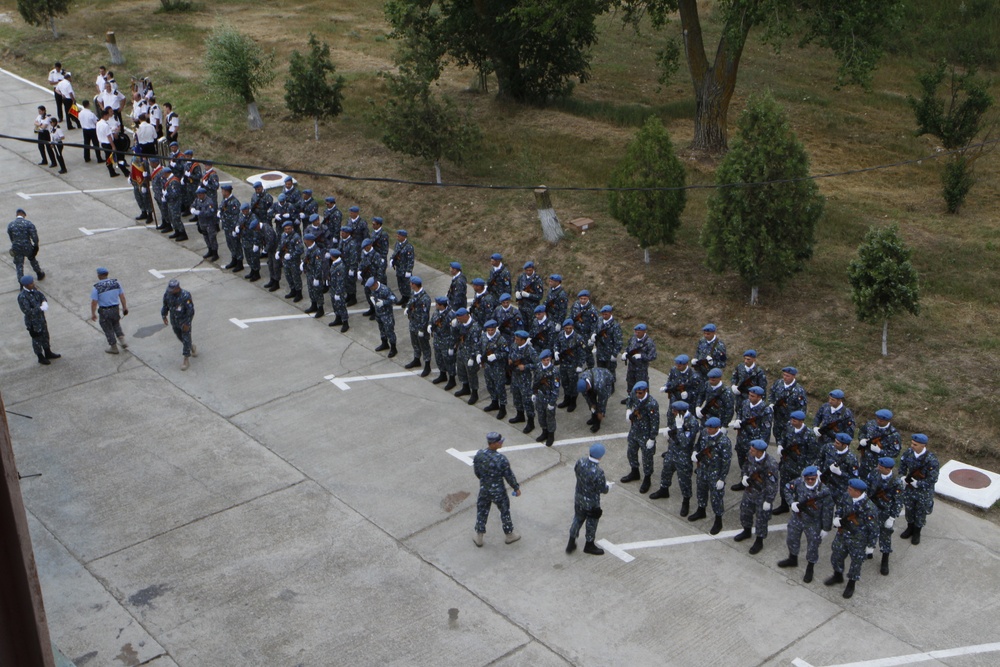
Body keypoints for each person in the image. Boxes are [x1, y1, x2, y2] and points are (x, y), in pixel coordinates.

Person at [778, 466, 833, 583]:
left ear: (817, 477)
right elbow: (787, 488)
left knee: (813, 545)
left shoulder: (824, 491)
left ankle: (810, 567)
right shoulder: (799, 482)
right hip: (797, 518)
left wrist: (826, 528)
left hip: (813, 522)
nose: (810, 481)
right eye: (807, 479)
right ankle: (792, 558)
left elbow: (828, 510)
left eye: (812, 479)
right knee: (792, 539)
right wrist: (791, 503)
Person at [825, 478, 879, 599]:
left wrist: (871, 545)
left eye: (850, 489)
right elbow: (840, 507)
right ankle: (837, 575)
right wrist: (837, 517)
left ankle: (851, 583)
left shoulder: (869, 508)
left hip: (858, 539)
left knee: (856, 562)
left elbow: (874, 528)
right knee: (836, 554)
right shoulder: (846, 496)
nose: (847, 490)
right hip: (842, 533)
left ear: (858, 492)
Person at [650, 401, 699, 516]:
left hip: (683, 455)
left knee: (684, 479)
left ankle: (686, 500)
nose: (673, 412)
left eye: (675, 411)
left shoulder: (692, 423)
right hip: (672, 451)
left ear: (682, 411)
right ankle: (664, 489)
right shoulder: (676, 417)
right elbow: (673, 432)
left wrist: (679, 427)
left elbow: (685, 442)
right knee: (666, 470)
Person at [473, 432, 522, 547]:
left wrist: (485, 481)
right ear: (494, 444)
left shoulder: (479, 455)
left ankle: (479, 536)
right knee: (504, 511)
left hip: (484, 489)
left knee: (482, 511)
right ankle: (509, 535)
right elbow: (509, 476)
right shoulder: (501, 459)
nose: (502, 443)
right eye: (500, 442)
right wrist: (516, 487)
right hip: (498, 491)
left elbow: (477, 472)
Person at [733, 439, 779, 555]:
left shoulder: (770, 464)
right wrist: (744, 477)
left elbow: (772, 484)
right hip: (749, 491)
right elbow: (745, 467)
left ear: (759, 451)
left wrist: (769, 500)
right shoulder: (751, 456)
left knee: (761, 519)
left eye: (752, 450)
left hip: (762, 495)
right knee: (745, 512)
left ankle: (759, 541)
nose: (750, 451)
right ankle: (746, 531)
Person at [773, 411, 821, 514]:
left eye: (794, 420)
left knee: (800, 488)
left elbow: (813, 453)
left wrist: (806, 467)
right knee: (784, 485)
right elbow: (783, 437)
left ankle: (801, 508)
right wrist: (780, 445)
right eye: (791, 420)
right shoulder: (789, 427)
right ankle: (784, 505)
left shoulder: (809, 434)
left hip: (800, 466)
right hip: (786, 463)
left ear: (801, 421)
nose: (792, 422)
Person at [689, 417, 732, 535]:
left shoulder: (724, 441)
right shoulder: (704, 433)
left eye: (711, 428)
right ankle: (701, 510)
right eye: (707, 427)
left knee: (716, 497)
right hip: (702, 469)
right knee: (701, 490)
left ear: (717, 428)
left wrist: (722, 478)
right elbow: (698, 445)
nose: (708, 430)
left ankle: (718, 520)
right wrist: (694, 452)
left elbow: (726, 461)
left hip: (715, 472)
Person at [567, 443, 611, 556]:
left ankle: (571, 542)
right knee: (591, 523)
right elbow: (602, 489)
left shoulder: (580, 462)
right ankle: (589, 545)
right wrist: (608, 487)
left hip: (579, 497)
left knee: (577, 519)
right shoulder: (598, 472)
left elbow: (576, 472)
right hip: (592, 502)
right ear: (600, 456)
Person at [898, 433, 940, 546]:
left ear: (923, 445)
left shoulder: (931, 459)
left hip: (923, 492)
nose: (912, 446)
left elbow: (933, 478)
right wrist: (902, 477)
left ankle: (917, 532)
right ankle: (909, 528)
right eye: (912, 443)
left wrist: (919, 484)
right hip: (910, 488)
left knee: (920, 512)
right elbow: (902, 467)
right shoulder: (908, 453)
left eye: (915, 444)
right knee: (909, 509)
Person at [867, 457, 904, 575]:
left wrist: (892, 517)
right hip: (872, 509)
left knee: (885, 536)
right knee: (869, 530)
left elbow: (898, 501)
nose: (878, 467)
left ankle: (885, 560)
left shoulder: (896, 482)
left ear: (888, 469)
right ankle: (868, 550)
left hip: (885, 512)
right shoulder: (874, 473)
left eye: (881, 467)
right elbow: (867, 489)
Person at [730, 386, 774, 484]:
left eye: (753, 396)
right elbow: (740, 413)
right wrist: (738, 419)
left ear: (759, 397)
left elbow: (766, 430)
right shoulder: (745, 403)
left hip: (754, 443)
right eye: (749, 395)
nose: (750, 397)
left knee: (753, 464)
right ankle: (743, 480)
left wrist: (759, 447)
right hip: (742, 439)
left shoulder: (765, 410)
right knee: (742, 461)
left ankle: (753, 483)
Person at [621, 381, 659, 493]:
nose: (638, 395)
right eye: (637, 393)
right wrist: (628, 410)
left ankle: (647, 478)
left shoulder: (652, 404)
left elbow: (655, 422)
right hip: (634, 431)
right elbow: (629, 400)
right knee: (631, 452)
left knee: (647, 458)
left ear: (646, 391)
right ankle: (635, 471)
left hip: (645, 434)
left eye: (640, 393)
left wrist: (652, 438)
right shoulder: (634, 394)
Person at [18, 275, 60, 365]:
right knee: (37, 339)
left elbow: (41, 296)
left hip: (41, 318)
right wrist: (40, 308)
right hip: (33, 322)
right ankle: (40, 356)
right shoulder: (23, 296)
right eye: (31, 283)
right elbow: (27, 311)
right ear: (25, 285)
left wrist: (44, 302)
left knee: (45, 335)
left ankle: (48, 352)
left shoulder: (34, 290)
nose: (33, 284)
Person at [90, 267, 129, 354]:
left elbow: (94, 302)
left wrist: (93, 313)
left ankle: (114, 347)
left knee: (108, 328)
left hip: (104, 311)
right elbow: (122, 296)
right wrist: (124, 307)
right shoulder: (116, 283)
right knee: (116, 324)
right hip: (115, 309)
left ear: (99, 276)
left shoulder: (97, 287)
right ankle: (123, 341)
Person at [161, 279, 196, 370]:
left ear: (177, 288)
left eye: (172, 289)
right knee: (179, 336)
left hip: (184, 321)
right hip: (174, 320)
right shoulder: (168, 294)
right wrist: (164, 315)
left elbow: (190, 311)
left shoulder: (185, 295)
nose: (170, 291)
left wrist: (187, 323)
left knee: (185, 337)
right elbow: (165, 305)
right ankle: (190, 346)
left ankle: (186, 359)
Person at [507, 330, 538, 433]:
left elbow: (537, 364)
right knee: (516, 396)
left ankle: (530, 422)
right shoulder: (514, 346)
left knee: (527, 400)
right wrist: (510, 360)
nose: (515, 341)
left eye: (518, 339)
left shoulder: (530, 350)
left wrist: (525, 366)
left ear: (523, 340)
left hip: (525, 378)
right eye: (515, 339)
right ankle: (520, 415)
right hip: (515, 377)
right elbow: (510, 354)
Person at [769, 367, 807, 449]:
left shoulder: (799, 390)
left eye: (787, 376)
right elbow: (771, 393)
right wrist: (771, 403)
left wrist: (797, 422)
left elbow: (802, 408)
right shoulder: (778, 383)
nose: (785, 377)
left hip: (790, 422)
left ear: (793, 376)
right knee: (779, 442)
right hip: (778, 420)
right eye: (784, 375)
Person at [857, 409, 901, 479]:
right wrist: (862, 439)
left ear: (887, 421)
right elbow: (862, 432)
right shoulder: (871, 424)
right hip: (864, 463)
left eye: (881, 421)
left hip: (879, 467)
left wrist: (880, 451)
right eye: (877, 419)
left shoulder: (894, 435)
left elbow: (895, 452)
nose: (878, 421)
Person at [479, 320, 510, 419]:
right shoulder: (484, 337)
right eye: (489, 330)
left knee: (500, 387)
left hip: (498, 367)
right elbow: (479, 347)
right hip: (488, 366)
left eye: (492, 330)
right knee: (490, 385)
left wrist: (496, 356)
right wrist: (478, 355)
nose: (490, 332)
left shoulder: (501, 340)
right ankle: (494, 402)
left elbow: (506, 353)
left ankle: (502, 407)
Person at [554, 319, 585, 412]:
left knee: (573, 383)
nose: (568, 330)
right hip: (563, 363)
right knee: (565, 382)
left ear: (573, 327)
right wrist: (556, 351)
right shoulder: (561, 335)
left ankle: (573, 401)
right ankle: (566, 399)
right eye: (566, 328)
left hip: (573, 364)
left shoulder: (578, 338)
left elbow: (582, 353)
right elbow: (556, 343)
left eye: (570, 328)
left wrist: (580, 365)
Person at [819, 432, 860, 502]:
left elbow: (854, 478)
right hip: (824, 485)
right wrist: (818, 470)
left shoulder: (852, 458)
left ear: (844, 445)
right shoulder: (828, 447)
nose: (834, 444)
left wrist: (840, 473)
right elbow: (819, 459)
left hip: (840, 489)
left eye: (837, 443)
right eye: (835, 441)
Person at [404, 276, 432, 376]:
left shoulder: (425, 298)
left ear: (414, 285)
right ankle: (417, 359)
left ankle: (427, 365)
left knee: (424, 345)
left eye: (411, 283)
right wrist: (407, 308)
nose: (410, 284)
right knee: (414, 342)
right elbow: (410, 302)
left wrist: (421, 329)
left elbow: (425, 315)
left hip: (420, 325)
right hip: (413, 322)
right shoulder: (413, 293)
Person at [453, 307, 481, 404]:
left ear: (465, 316)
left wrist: (473, 357)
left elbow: (476, 344)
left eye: (459, 317)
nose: (458, 319)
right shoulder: (460, 324)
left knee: (471, 373)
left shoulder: (475, 327)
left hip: (470, 353)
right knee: (461, 370)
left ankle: (474, 393)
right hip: (462, 350)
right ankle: (465, 387)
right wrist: (453, 327)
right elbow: (457, 336)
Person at [621, 323, 656, 401]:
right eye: (635, 332)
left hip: (641, 369)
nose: (636, 333)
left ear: (644, 332)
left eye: (638, 332)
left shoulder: (649, 342)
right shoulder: (633, 338)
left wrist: (641, 356)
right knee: (630, 382)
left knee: (642, 385)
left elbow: (653, 356)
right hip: (631, 366)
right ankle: (631, 398)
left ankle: (645, 400)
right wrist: (625, 353)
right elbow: (628, 347)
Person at [8, 209, 44, 281]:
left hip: (16, 247)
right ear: (24, 214)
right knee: (32, 259)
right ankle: (39, 273)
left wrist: (14, 245)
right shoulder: (28, 223)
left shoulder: (11, 224)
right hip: (27, 246)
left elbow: (11, 237)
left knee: (19, 265)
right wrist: (36, 246)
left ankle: (21, 282)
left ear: (16, 215)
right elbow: (34, 236)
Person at [533, 350, 560, 447]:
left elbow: (556, 388)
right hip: (540, 396)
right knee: (541, 415)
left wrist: (552, 402)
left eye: (547, 360)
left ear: (550, 359)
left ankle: (551, 435)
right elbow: (535, 380)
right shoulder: (538, 367)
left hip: (549, 397)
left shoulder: (554, 371)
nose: (546, 362)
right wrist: (534, 393)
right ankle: (544, 432)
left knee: (550, 417)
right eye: (544, 360)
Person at [577, 366, 614, 433]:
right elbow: (586, 395)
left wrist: (600, 412)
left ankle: (597, 423)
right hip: (594, 380)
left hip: (606, 380)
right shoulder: (582, 379)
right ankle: (593, 416)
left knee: (600, 405)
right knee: (592, 400)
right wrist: (591, 405)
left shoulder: (600, 385)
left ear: (588, 386)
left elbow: (603, 400)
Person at [368, 277, 398, 357]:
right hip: (379, 314)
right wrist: (372, 299)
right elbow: (372, 295)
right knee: (381, 329)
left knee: (389, 331)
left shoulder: (385, 290)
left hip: (387, 315)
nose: (371, 289)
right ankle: (384, 343)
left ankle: (393, 348)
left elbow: (395, 300)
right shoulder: (373, 289)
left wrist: (384, 302)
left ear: (375, 284)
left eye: (371, 287)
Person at [430, 297, 456, 388]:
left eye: (437, 304)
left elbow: (454, 332)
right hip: (437, 340)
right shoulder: (437, 312)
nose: (436, 305)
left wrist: (452, 346)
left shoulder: (450, 315)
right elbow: (432, 320)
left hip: (446, 341)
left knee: (449, 361)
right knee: (439, 358)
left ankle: (452, 379)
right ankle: (442, 374)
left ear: (442, 305)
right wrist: (430, 326)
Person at [594, 305, 623, 387]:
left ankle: (610, 386)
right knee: (600, 369)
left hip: (609, 352)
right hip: (600, 350)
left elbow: (618, 341)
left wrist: (614, 354)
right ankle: (602, 384)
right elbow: (595, 328)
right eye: (603, 314)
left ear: (610, 313)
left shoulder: (615, 325)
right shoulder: (600, 320)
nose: (604, 316)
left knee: (610, 371)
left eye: (606, 314)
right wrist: (593, 334)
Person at [571, 290, 599, 369]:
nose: (582, 300)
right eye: (581, 298)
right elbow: (571, 317)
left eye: (584, 299)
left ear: (588, 298)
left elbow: (595, 324)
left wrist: (592, 336)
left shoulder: (592, 309)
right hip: (576, 332)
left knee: (587, 352)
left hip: (587, 334)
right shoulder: (575, 305)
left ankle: (590, 368)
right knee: (575, 350)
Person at [219, 184, 243, 273]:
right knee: (230, 244)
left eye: (223, 191)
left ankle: (239, 262)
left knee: (236, 244)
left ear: (227, 192)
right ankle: (234, 259)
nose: (222, 192)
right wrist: (219, 212)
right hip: (226, 226)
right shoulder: (225, 200)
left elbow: (236, 216)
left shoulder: (234, 202)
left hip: (232, 227)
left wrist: (235, 228)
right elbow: (221, 207)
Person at [324, 248, 350, 332]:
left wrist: (338, 293)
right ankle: (338, 318)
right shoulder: (334, 263)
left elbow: (340, 281)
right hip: (333, 288)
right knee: (335, 304)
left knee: (341, 305)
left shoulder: (340, 266)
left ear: (332, 256)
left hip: (339, 290)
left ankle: (345, 322)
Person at [278, 221, 304, 302]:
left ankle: (299, 293)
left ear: (292, 228)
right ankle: (292, 290)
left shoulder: (296, 237)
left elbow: (300, 250)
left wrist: (291, 255)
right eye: (285, 229)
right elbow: (281, 245)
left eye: (289, 229)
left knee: (296, 277)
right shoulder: (283, 235)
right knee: (288, 276)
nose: (287, 230)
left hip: (294, 261)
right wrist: (278, 251)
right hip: (286, 261)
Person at [191, 188, 219, 261]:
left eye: (200, 195)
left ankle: (215, 253)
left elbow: (211, 212)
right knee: (206, 237)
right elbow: (193, 205)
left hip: (210, 223)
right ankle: (210, 250)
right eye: (198, 195)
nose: (199, 196)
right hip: (202, 223)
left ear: (203, 194)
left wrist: (200, 213)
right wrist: (192, 209)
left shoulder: (209, 202)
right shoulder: (197, 200)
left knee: (212, 238)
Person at [302, 234, 325, 318]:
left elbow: (318, 266)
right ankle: (313, 305)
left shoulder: (317, 251)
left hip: (315, 274)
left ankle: (320, 308)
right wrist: (303, 265)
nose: (304, 242)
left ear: (310, 241)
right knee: (311, 290)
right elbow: (306, 259)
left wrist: (316, 277)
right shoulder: (308, 249)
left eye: (306, 240)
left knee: (318, 292)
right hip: (309, 273)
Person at [390, 230, 414, 306]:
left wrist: (409, 271)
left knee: (406, 285)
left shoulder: (409, 247)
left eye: (399, 236)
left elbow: (411, 260)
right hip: (399, 268)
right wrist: (391, 259)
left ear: (404, 237)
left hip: (405, 269)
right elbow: (395, 253)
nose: (397, 237)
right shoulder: (397, 244)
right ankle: (403, 297)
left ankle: (408, 299)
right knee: (400, 284)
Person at [96, 107, 119, 178]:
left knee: (108, 157)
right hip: (107, 143)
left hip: (103, 142)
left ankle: (111, 170)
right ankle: (111, 171)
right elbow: (109, 136)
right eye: (107, 115)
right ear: (105, 115)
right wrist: (113, 146)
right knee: (109, 158)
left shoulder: (98, 123)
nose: (109, 117)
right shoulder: (105, 125)